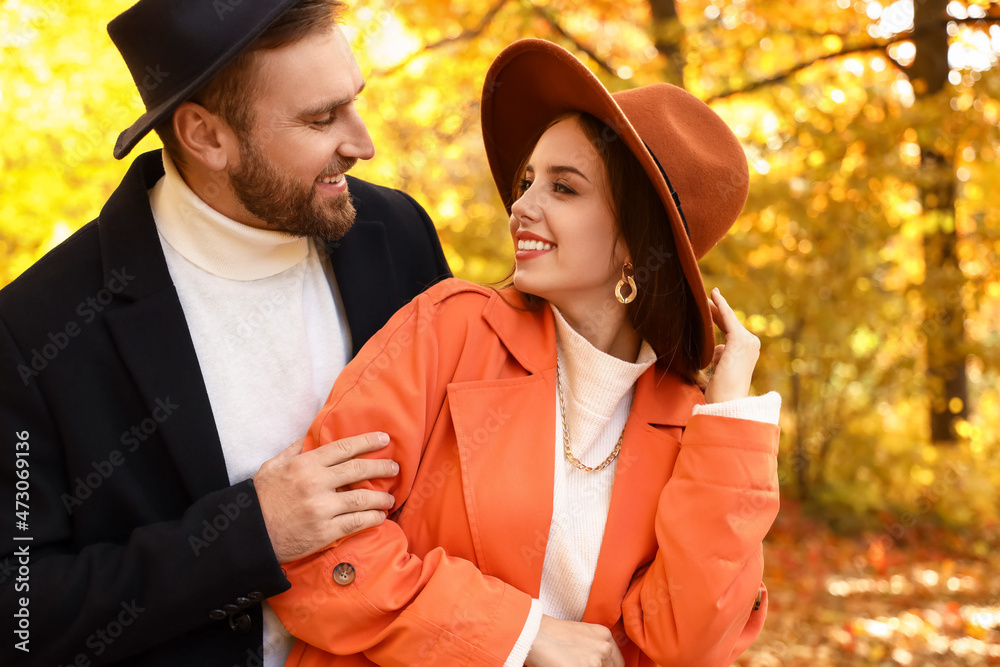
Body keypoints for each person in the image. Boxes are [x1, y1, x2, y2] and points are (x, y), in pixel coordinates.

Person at [269, 38, 781, 667]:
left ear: (633, 241)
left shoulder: (686, 420)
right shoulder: (451, 329)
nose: (521, 207)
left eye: (564, 189)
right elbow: (317, 552)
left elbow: (686, 645)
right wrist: (518, 636)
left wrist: (729, 428)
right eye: (527, 181)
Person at [0, 1, 449, 665]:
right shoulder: (33, 328)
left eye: (352, 103)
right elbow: (21, 612)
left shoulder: (397, 234)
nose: (361, 142)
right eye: (321, 119)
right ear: (206, 136)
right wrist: (248, 534)